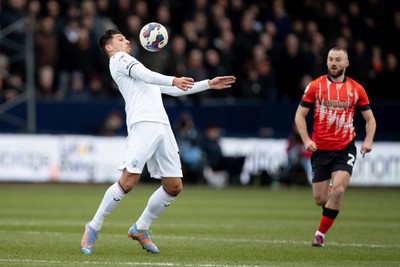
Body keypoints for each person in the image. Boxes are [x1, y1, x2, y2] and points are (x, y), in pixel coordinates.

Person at [80, 29, 236, 255]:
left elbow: (172, 89)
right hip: (143, 124)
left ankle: (141, 228)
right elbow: (153, 77)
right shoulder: (119, 60)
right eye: (120, 39)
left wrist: (208, 84)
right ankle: (93, 227)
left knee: (173, 186)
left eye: (126, 38)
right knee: (128, 181)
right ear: (109, 48)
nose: (127, 41)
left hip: (162, 126)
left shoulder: (138, 68)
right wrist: (173, 78)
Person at [294, 47, 376, 247]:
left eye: (338, 60)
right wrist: (306, 140)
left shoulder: (356, 89)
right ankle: (331, 195)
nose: (333, 63)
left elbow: (370, 119)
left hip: (344, 148)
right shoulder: (315, 86)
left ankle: (319, 235)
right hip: (320, 150)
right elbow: (299, 116)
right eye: (330, 59)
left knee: (338, 190)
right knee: (320, 199)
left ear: (346, 63)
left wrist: (368, 141)